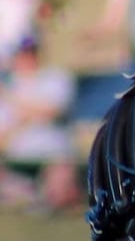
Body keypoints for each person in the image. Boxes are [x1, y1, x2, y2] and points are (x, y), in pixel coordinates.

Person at [0, 35, 81, 213]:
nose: (29, 59)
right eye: (23, 54)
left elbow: (52, 111)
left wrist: (13, 102)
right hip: (17, 156)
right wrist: (28, 116)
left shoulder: (56, 78)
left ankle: (41, 196)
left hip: (52, 154)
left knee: (60, 183)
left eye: (32, 53)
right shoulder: (10, 85)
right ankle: (30, 195)